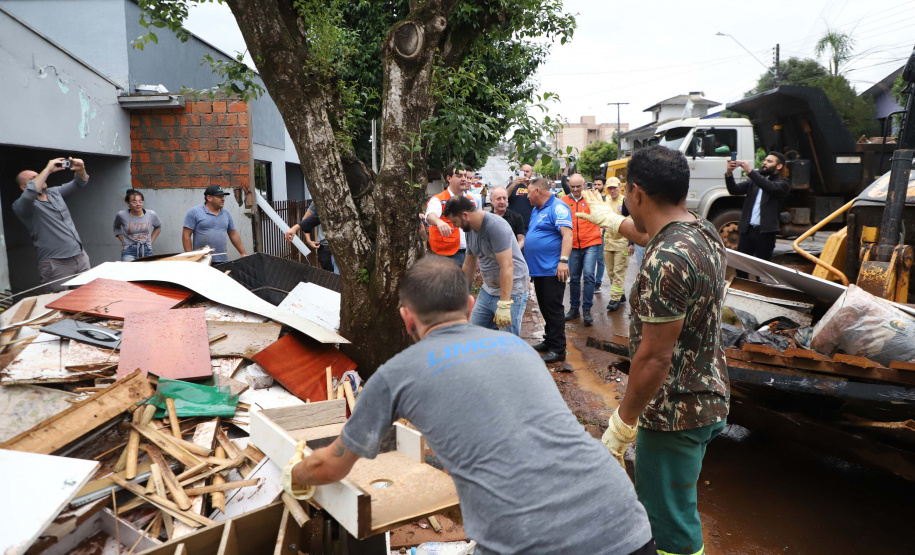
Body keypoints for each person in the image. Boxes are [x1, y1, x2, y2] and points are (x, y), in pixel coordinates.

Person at [283, 256, 656, 555]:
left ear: (406, 317)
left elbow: (330, 466)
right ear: (470, 304)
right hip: (621, 517)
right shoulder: (519, 348)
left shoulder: (395, 375)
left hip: (527, 539)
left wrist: (293, 474)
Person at [577, 145, 729, 555]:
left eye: (626, 195)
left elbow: (655, 357)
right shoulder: (701, 230)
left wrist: (623, 422)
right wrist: (612, 221)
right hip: (707, 392)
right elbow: (650, 234)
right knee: (673, 511)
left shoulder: (667, 262)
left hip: (675, 410)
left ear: (638, 193)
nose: (625, 200)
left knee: (670, 527)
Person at [444, 195, 529, 337]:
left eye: (455, 221)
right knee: (474, 334)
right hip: (488, 289)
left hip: (512, 288)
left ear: (465, 215)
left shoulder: (495, 227)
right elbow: (469, 264)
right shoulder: (469, 229)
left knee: (507, 340)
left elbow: (507, 266)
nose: (454, 226)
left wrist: (504, 304)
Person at [13, 157, 92, 291]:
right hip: (56, 264)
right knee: (59, 304)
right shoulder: (22, 205)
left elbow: (80, 182)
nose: (41, 178)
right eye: (34, 178)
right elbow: (30, 193)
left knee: (86, 297)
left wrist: (81, 170)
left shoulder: (54, 192)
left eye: (39, 176)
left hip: (80, 257)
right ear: (23, 187)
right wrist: (48, 170)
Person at [525, 178, 573, 362]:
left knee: (553, 308)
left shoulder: (557, 208)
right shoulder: (536, 209)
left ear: (537, 191)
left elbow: (567, 235)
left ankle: (558, 349)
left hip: (552, 269)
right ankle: (549, 339)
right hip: (539, 270)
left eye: (529, 192)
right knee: (544, 307)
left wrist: (563, 261)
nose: (527, 196)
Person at [725, 152, 789, 277]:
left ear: (779, 166)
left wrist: (750, 172)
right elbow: (734, 190)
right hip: (747, 231)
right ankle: (741, 294)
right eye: (765, 160)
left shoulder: (783, 183)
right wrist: (728, 173)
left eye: (770, 161)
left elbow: (770, 188)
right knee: (741, 269)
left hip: (765, 233)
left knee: (762, 271)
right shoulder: (755, 181)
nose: (764, 162)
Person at [561, 174, 603, 327]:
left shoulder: (592, 199)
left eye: (578, 186)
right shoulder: (564, 201)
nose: (576, 189)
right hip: (572, 245)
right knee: (574, 278)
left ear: (584, 184)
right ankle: (573, 309)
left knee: (589, 275)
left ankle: (586, 310)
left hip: (591, 242)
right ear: (568, 185)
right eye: (572, 187)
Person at [182, 184, 247, 263]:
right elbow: (186, 235)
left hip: (222, 260)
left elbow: (233, 233)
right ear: (209, 198)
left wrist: (243, 253)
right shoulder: (195, 212)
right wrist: (190, 257)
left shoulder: (226, 214)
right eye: (219, 197)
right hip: (202, 260)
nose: (223, 199)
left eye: (223, 197)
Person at [426, 165, 470, 266]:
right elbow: (430, 216)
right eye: (459, 176)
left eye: (465, 176)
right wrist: (438, 222)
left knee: (467, 282)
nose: (464, 179)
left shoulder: (471, 200)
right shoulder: (438, 199)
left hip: (470, 254)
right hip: (447, 256)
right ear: (449, 178)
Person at [284, 203, 338, 274]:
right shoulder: (319, 198)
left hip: (342, 247)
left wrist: (296, 227)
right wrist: (308, 240)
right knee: (330, 279)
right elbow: (310, 218)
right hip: (326, 246)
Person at [602, 177, 630, 312]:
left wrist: (631, 243)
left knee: (619, 272)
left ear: (620, 187)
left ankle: (615, 299)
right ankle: (620, 294)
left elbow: (632, 222)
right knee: (611, 272)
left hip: (622, 242)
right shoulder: (605, 200)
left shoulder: (626, 201)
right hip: (608, 242)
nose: (612, 191)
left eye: (614, 188)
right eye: (610, 188)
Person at [113, 189, 162, 261]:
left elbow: (158, 226)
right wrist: (123, 242)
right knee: (129, 271)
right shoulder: (121, 215)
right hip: (129, 249)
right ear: (127, 203)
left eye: (140, 201)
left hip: (146, 249)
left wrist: (150, 242)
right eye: (134, 201)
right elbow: (116, 227)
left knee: (146, 272)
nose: (138, 204)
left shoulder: (151, 214)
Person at [505, 164, 534, 231]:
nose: (525, 173)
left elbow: (539, 197)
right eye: (523, 171)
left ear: (531, 173)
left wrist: (527, 184)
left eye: (527, 171)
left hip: (529, 224)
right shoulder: (512, 185)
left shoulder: (533, 185)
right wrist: (514, 184)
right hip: (513, 224)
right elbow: (505, 196)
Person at [593, 177, 607, 292]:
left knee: (600, 260)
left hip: (603, 235)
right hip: (591, 234)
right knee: (590, 260)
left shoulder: (606, 199)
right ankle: (590, 282)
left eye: (599, 184)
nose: (596, 186)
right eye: (595, 184)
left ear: (604, 186)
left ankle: (598, 283)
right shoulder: (591, 198)